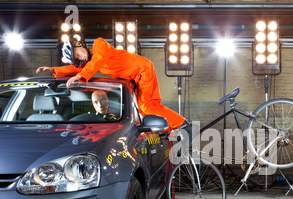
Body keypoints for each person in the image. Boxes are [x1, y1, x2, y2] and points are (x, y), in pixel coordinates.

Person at [36, 38, 187, 132]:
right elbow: (75, 69)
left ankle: (183, 124)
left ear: (80, 45)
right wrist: (53, 70)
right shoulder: (89, 64)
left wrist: (81, 75)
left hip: (143, 69)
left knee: (148, 107)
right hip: (135, 77)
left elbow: (97, 60)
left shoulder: (99, 45)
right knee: (143, 109)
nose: (80, 58)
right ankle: (170, 128)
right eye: (77, 60)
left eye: (77, 54)